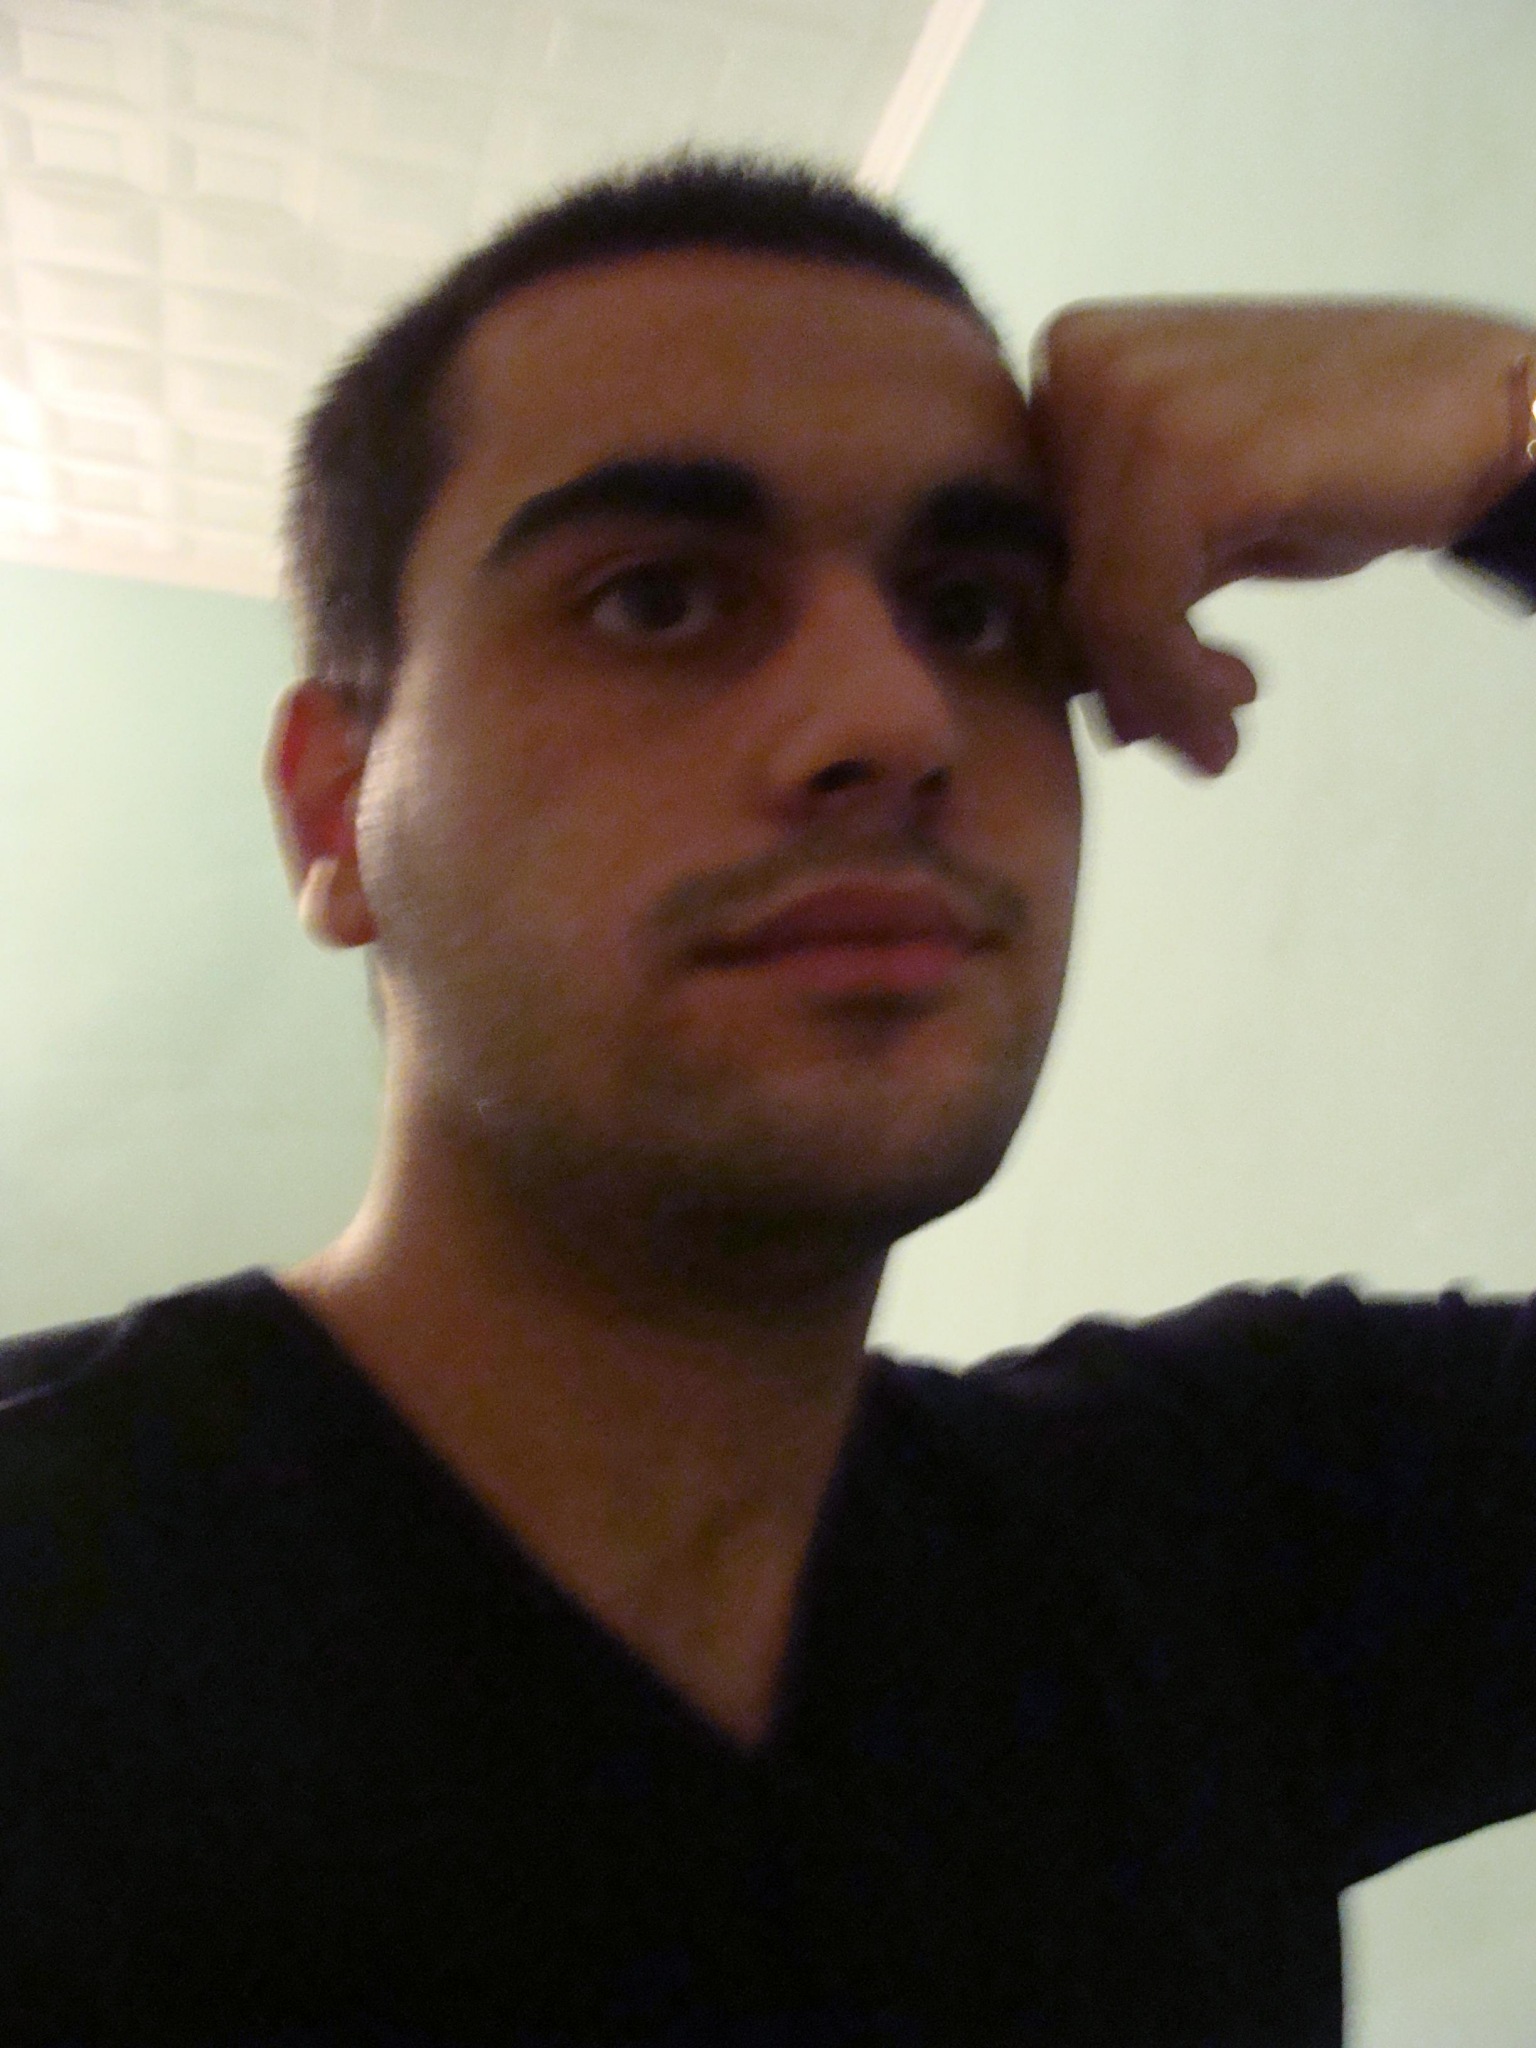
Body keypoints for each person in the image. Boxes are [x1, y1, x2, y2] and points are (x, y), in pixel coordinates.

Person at [3, 156, 1535, 2048]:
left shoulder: (1252, 1534)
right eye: (657, 599)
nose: (893, 722)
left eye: (976, 612)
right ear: (334, 809)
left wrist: (1512, 437)